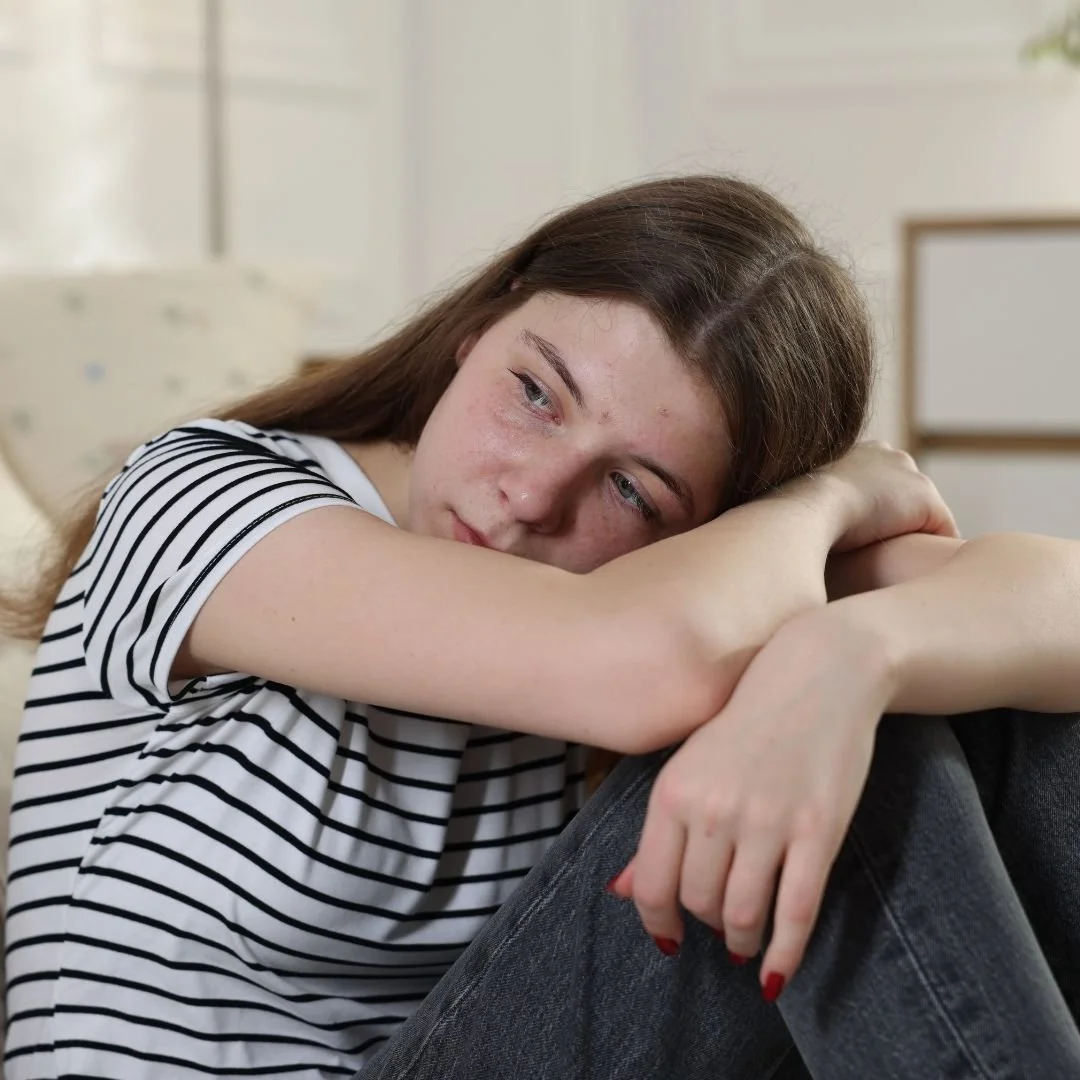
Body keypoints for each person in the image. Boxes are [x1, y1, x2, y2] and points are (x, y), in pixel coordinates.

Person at [1, 174, 1078, 1080]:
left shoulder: (683, 589)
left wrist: (856, 653)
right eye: (535, 393)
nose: (529, 498)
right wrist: (829, 500)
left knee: (907, 702)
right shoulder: (200, 497)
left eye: (632, 490)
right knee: (830, 739)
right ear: (479, 327)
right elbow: (638, 666)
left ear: (701, 528)